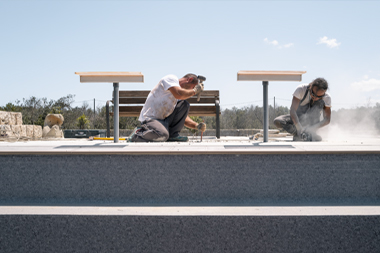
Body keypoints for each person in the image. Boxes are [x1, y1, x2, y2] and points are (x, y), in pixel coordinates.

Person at [128, 73, 206, 142]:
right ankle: (137, 134)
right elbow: (179, 94)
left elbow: (182, 117)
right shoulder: (171, 79)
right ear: (189, 79)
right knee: (162, 135)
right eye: (192, 87)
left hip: (164, 120)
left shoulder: (178, 97)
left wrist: (196, 125)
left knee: (184, 104)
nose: (191, 90)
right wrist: (195, 91)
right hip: (150, 119)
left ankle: (172, 135)